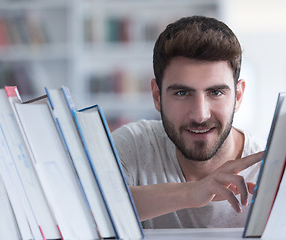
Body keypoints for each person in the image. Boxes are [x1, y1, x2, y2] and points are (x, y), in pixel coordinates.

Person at [112, 15, 264, 229]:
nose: (200, 115)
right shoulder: (134, 145)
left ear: (238, 97)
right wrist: (192, 192)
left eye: (216, 92)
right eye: (182, 93)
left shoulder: (267, 173)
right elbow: (85, 209)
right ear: (157, 96)